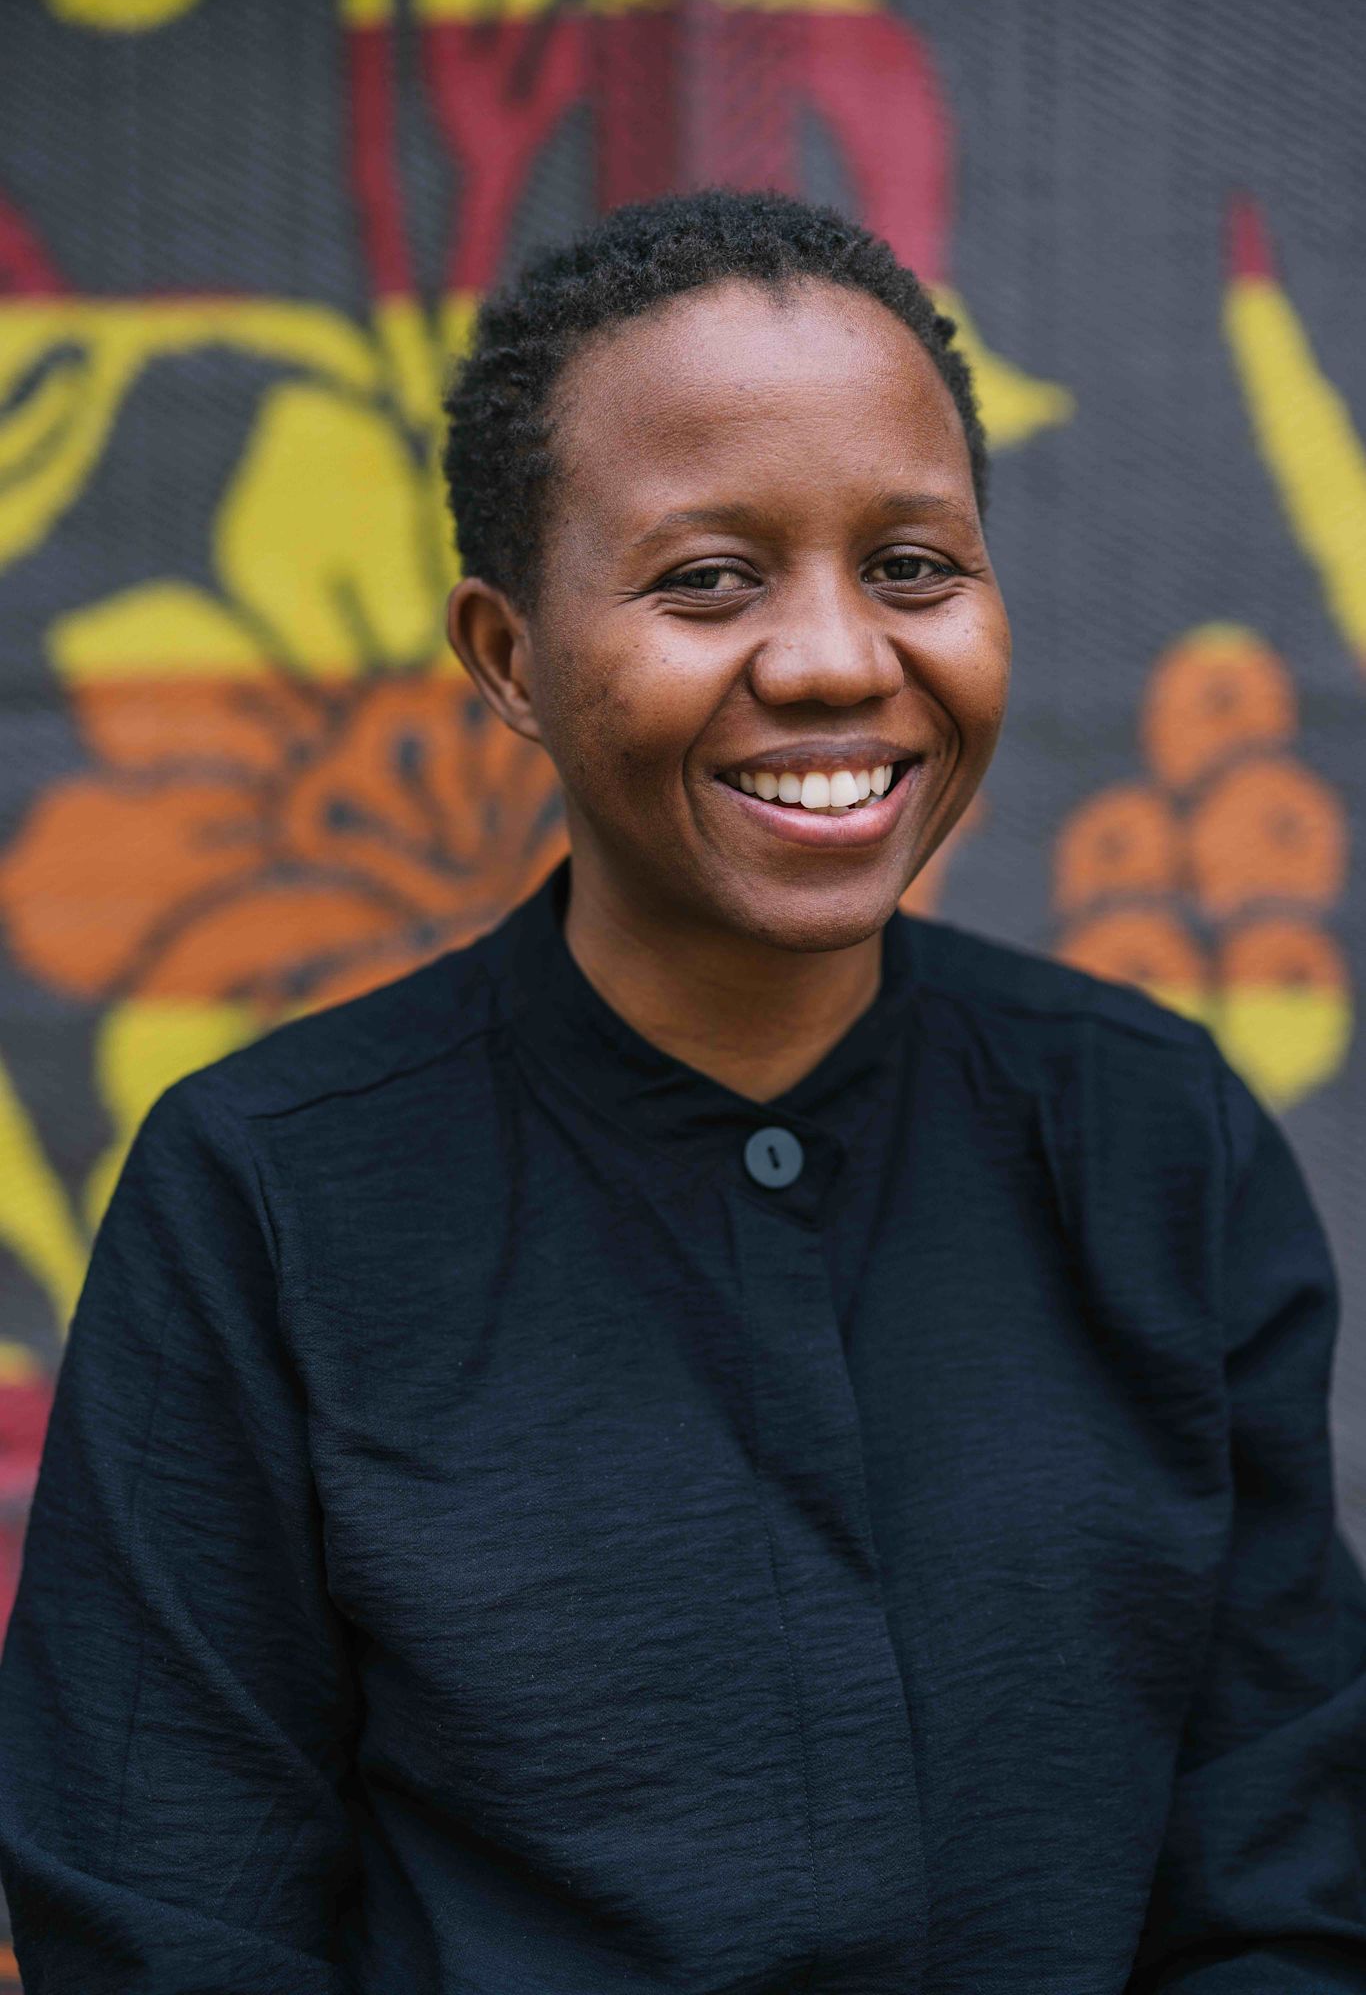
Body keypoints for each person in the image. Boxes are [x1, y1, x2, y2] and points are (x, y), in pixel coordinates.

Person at [1, 188, 1364, 1994]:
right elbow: (164, 1921)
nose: (835, 660)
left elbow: (1286, 1884)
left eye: (912, 567)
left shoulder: (1153, 1138)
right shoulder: (267, 1195)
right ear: (508, 659)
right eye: (706, 580)